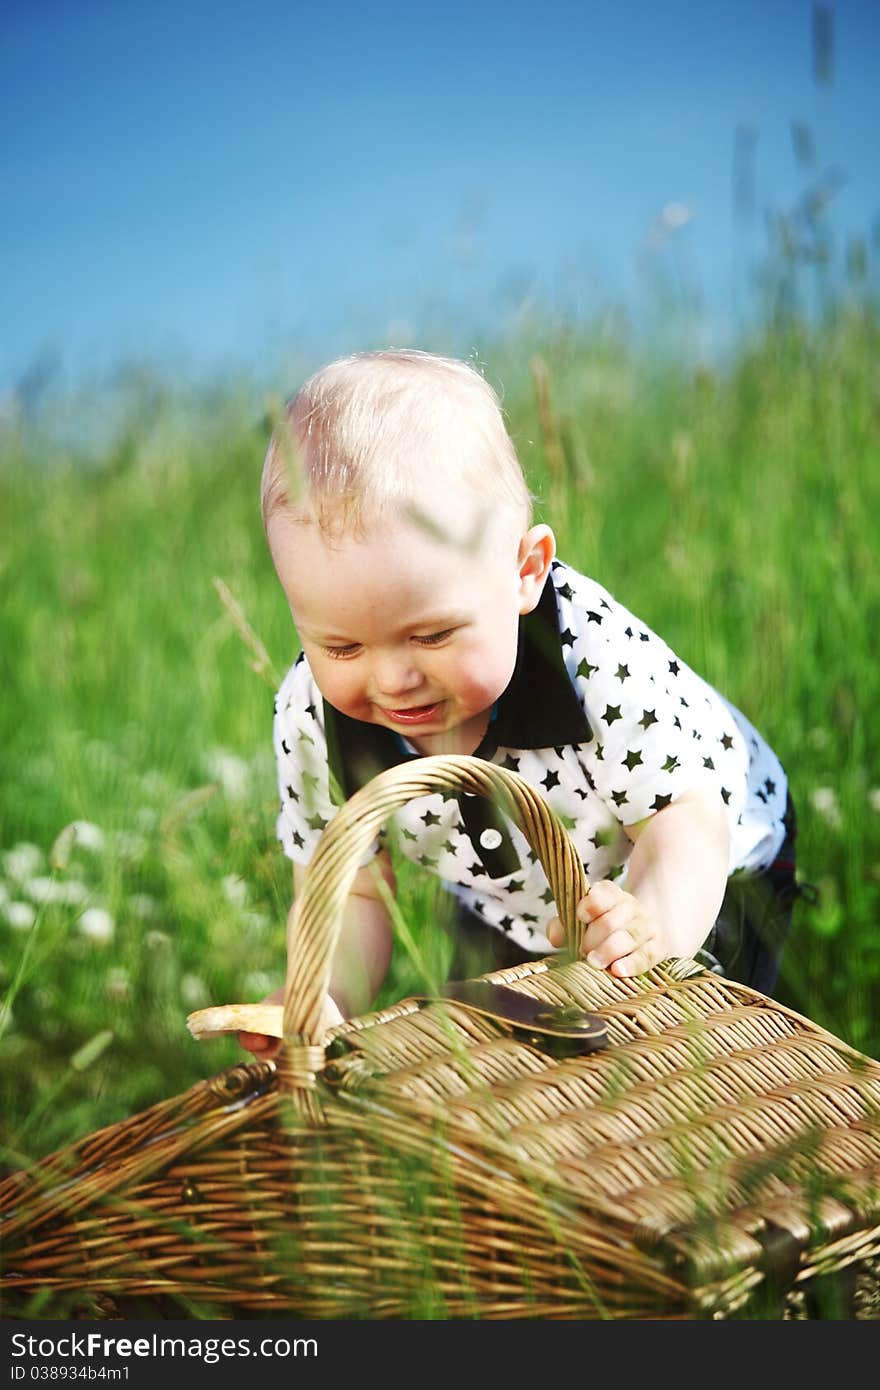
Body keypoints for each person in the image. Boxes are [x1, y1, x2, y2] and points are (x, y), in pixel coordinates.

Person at [239, 349, 799, 1057]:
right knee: (496, 1062)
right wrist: (323, 994)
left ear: (525, 572)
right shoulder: (313, 718)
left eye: (432, 634)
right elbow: (354, 891)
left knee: (680, 1056)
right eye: (342, 648)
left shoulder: (591, 659)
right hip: (509, 899)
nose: (393, 680)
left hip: (703, 867)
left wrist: (647, 929)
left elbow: (686, 824)